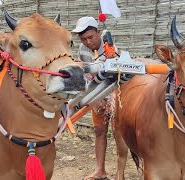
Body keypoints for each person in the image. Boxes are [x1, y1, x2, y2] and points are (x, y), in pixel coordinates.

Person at [72, 17, 116, 180]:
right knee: (99, 131)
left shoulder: (110, 46)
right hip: (96, 94)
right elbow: (85, 75)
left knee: (119, 133)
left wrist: (107, 98)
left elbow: (115, 76)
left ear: (98, 32)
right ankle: (100, 171)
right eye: (83, 39)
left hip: (114, 94)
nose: (88, 42)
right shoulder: (82, 49)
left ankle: (120, 172)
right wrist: (93, 97)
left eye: (90, 37)